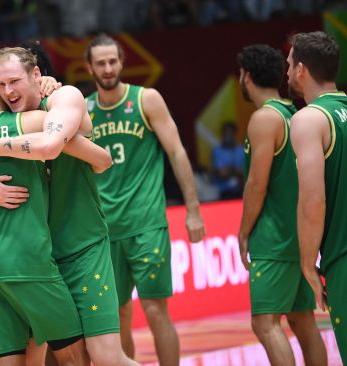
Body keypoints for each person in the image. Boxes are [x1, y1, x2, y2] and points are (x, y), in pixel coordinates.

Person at [0, 46, 139, 366]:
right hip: (40, 254)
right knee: (42, 357)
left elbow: (99, 158)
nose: (8, 90)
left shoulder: (61, 99)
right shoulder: (13, 121)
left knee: (105, 357)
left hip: (82, 247)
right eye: (1, 84)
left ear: (37, 75)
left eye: (14, 81)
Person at [84, 34, 206, 365]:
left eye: (113, 61)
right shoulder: (83, 111)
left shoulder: (146, 99)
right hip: (105, 230)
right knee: (119, 314)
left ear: (122, 62)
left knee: (155, 310)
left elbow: (177, 153)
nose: (108, 68)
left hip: (146, 223)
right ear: (89, 68)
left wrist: (193, 210)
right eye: (101, 63)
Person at [288, 31, 347, 366]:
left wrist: (306, 262)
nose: (287, 72)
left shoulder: (309, 119)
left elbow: (313, 202)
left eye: (288, 63)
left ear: (301, 70)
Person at [236, 44, 327, 366]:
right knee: (303, 320)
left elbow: (256, 183)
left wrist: (244, 231)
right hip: (299, 234)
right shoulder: (296, 113)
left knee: (265, 323)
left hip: (274, 238)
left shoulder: (265, 118)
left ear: (246, 77)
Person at [212, 121, 245, 199]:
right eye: (225, 132)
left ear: (234, 133)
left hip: (241, 190)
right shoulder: (217, 150)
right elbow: (222, 173)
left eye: (229, 132)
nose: (227, 135)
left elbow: (245, 172)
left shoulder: (241, 150)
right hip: (223, 192)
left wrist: (231, 170)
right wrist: (236, 170)